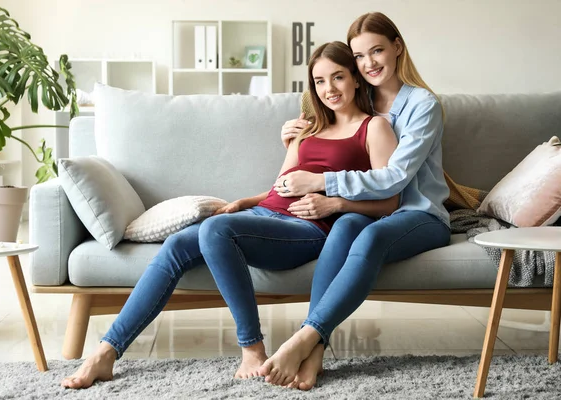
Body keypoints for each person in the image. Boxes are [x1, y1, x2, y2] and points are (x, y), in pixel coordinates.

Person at [61, 41, 399, 389]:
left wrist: (335, 204)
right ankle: (106, 352)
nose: (329, 89)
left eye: (338, 77)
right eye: (319, 81)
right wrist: (246, 201)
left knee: (216, 230)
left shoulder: (373, 128)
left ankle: (251, 346)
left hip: (309, 228)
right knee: (178, 244)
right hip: (267, 215)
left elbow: (389, 201)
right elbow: (279, 187)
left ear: (356, 79)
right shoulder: (308, 128)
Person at [258, 12, 451, 390]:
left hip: (419, 215)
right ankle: (314, 352)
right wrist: (294, 137)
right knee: (345, 226)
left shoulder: (422, 105)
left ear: (397, 47)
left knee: (369, 238)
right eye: (359, 56)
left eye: (377, 51)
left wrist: (323, 182)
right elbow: (325, 141)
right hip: (366, 212)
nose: (369, 64)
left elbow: (395, 177)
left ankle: (304, 338)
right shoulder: (355, 98)